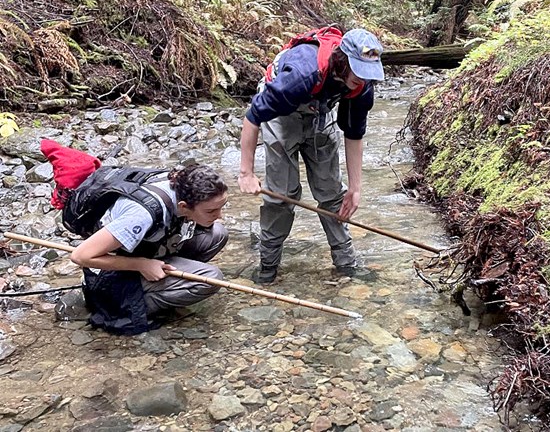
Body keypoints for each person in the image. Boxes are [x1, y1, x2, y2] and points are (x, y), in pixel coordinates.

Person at [238, 27, 384, 283]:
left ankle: (346, 264)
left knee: (332, 193)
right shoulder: (302, 74)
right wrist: (246, 173)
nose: (362, 80)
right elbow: (253, 117)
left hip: (319, 111)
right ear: (342, 60)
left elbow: (354, 135)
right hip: (281, 113)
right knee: (283, 194)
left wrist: (356, 188)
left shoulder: (362, 87)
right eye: (358, 72)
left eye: (368, 74)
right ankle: (268, 266)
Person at [69, 164, 229, 334]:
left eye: (221, 207)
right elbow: (80, 256)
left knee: (217, 233)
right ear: (183, 206)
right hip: (108, 279)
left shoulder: (179, 185)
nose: (220, 216)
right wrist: (141, 265)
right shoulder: (140, 216)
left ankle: (169, 282)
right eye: (211, 210)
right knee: (210, 278)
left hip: (144, 251)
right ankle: (133, 305)